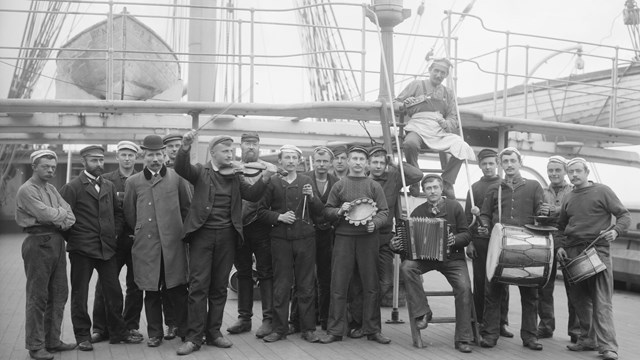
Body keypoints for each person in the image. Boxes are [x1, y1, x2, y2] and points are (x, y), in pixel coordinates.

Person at [174, 131, 276, 356]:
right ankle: (194, 337)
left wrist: (266, 178)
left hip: (228, 236)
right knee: (198, 286)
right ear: (213, 153)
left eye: (232, 150)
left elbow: (251, 194)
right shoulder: (201, 171)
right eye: (226, 151)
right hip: (202, 235)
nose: (231, 154)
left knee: (219, 287)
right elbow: (181, 168)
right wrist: (185, 146)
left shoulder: (235, 175)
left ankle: (214, 333)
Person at [60, 145, 143, 351]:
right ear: (84, 162)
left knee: (113, 291)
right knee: (80, 294)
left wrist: (113, 234)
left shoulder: (108, 185)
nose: (99, 164)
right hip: (82, 250)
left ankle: (118, 333)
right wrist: (76, 238)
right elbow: (63, 220)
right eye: (94, 160)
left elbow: (118, 213)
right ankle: (82, 336)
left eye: (100, 160)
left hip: (106, 249)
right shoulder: (72, 188)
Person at [556, 158, 630, 360]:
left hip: (597, 251)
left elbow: (624, 216)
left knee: (602, 301)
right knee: (579, 300)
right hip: (572, 252)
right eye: (570, 172)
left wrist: (615, 231)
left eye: (578, 171)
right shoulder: (569, 197)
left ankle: (608, 347)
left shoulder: (603, 191)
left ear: (587, 171)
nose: (574, 175)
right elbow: (561, 226)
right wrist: (560, 246)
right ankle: (588, 339)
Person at [392, 174, 475, 353]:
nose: (432, 191)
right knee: (407, 267)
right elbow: (407, 244)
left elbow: (467, 235)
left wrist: (454, 240)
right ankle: (423, 312)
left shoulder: (454, 207)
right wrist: (397, 245)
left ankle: (463, 339)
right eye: (428, 188)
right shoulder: (418, 211)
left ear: (442, 188)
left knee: (464, 288)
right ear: (424, 191)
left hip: (452, 259)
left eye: (435, 187)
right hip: (426, 259)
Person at [123, 135, 192, 348]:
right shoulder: (133, 182)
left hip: (173, 244)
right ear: (144, 156)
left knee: (178, 289)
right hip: (147, 246)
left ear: (164, 155)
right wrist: (145, 231)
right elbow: (130, 213)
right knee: (151, 291)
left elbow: (187, 208)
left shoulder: (177, 178)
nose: (155, 159)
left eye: (159, 154)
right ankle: (155, 333)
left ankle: (184, 329)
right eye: (151, 155)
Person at [347, 146, 423, 337]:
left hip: (384, 237)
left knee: (385, 281)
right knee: (360, 281)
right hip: (363, 237)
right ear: (368, 164)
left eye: (382, 162)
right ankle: (361, 323)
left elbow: (417, 175)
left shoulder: (394, 178)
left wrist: (395, 162)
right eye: (375, 162)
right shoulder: (361, 181)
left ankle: (368, 320)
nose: (379, 166)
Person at [319, 145, 390, 345]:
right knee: (339, 284)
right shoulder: (339, 185)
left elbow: (384, 211)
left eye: (361, 159)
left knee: (371, 285)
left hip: (368, 239)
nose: (358, 162)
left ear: (366, 163)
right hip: (343, 238)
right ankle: (335, 330)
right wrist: (339, 211)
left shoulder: (374, 186)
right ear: (348, 161)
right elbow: (327, 211)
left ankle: (373, 330)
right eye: (354, 159)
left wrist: (374, 224)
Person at [477, 147, 545, 350]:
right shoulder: (494, 189)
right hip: (500, 248)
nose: (509, 164)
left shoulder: (534, 187)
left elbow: (542, 213)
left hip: (528, 247)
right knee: (493, 293)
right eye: (505, 161)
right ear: (501, 164)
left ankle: (530, 337)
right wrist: (485, 224)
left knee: (530, 294)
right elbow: (485, 214)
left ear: (520, 162)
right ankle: (490, 335)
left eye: (512, 160)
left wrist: (544, 213)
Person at [15, 149, 77, 360]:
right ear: (34, 167)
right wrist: (59, 214)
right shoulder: (27, 190)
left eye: (53, 167)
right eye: (45, 166)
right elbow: (45, 214)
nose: (50, 170)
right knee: (38, 296)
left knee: (59, 293)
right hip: (37, 242)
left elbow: (70, 215)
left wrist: (57, 216)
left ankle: (52, 340)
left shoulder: (50, 188)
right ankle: (35, 345)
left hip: (57, 242)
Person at [259, 145, 323, 343]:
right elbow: (261, 211)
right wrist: (279, 216)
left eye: (294, 157)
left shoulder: (307, 181)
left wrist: (312, 197)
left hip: (305, 239)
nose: (290, 161)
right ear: (280, 161)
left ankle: (308, 329)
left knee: (306, 285)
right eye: (287, 157)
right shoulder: (273, 182)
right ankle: (279, 329)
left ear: (299, 161)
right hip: (280, 241)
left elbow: (319, 211)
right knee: (281, 286)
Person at [394, 58, 475, 198]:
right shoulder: (416, 85)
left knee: (462, 146)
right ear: (430, 70)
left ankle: (447, 181)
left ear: (446, 75)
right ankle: (415, 178)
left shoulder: (448, 93)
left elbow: (453, 117)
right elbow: (395, 103)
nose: (439, 75)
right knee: (409, 143)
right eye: (436, 71)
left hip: (438, 129)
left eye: (443, 72)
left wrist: (446, 124)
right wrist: (404, 105)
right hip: (417, 126)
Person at [90, 140, 144, 344]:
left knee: (136, 285)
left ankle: (130, 326)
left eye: (131, 155)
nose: (127, 158)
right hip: (112, 242)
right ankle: (100, 328)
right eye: (124, 154)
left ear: (136, 157)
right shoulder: (104, 179)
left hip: (137, 241)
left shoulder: (143, 179)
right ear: (117, 157)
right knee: (105, 285)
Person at [226, 132, 275, 339]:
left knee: (265, 272)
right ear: (241, 146)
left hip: (262, 226)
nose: (251, 147)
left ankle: (268, 319)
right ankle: (244, 318)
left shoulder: (269, 170)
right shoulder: (233, 169)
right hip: (239, 227)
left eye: (254, 143)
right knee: (243, 272)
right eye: (247, 143)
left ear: (259, 146)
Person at [464, 149, 513, 338]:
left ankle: (501, 322)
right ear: (479, 165)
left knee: (503, 282)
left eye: (491, 163)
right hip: (481, 242)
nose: (488, 167)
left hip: (501, 242)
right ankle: (479, 321)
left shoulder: (504, 186)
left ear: (497, 164)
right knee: (480, 281)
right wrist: (469, 243)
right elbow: (468, 218)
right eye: (484, 164)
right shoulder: (473, 188)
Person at [290, 146, 339, 332]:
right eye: (318, 161)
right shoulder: (303, 179)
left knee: (326, 279)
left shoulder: (337, 182)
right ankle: (295, 321)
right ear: (313, 161)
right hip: (306, 234)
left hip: (327, 236)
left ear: (331, 162)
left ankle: (325, 320)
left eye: (325, 161)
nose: (321, 164)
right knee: (302, 278)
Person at [536, 156, 575, 340]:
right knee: (544, 286)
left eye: (557, 170)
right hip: (547, 241)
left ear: (565, 171)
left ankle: (577, 331)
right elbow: (537, 213)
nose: (554, 174)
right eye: (550, 170)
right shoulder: (542, 192)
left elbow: (575, 212)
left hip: (570, 243)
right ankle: (545, 326)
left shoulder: (575, 191)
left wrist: (554, 211)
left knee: (574, 288)